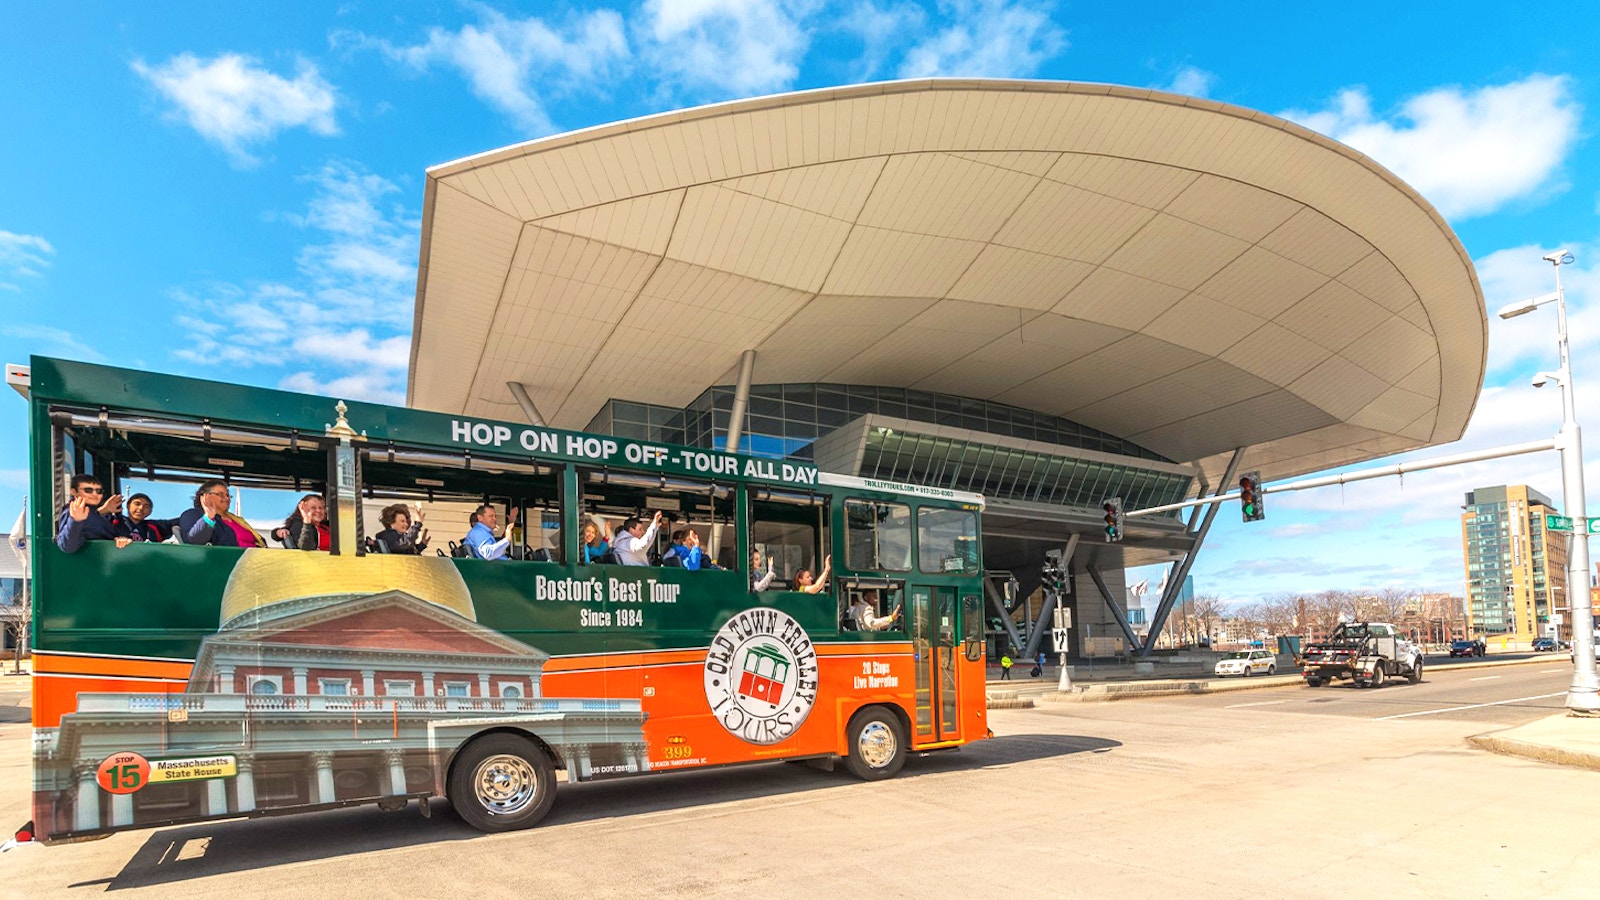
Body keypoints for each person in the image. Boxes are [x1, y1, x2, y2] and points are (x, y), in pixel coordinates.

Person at [55, 474, 123, 553]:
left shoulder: (96, 514)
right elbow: (67, 546)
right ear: (73, 491)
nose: (95, 494)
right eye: (88, 490)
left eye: (99, 491)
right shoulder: (71, 513)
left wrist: (104, 510)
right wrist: (75, 521)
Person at [175, 480, 241, 546]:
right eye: (220, 494)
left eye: (228, 495)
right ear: (205, 496)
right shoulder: (192, 514)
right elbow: (193, 540)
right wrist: (208, 518)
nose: (227, 498)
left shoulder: (237, 522)